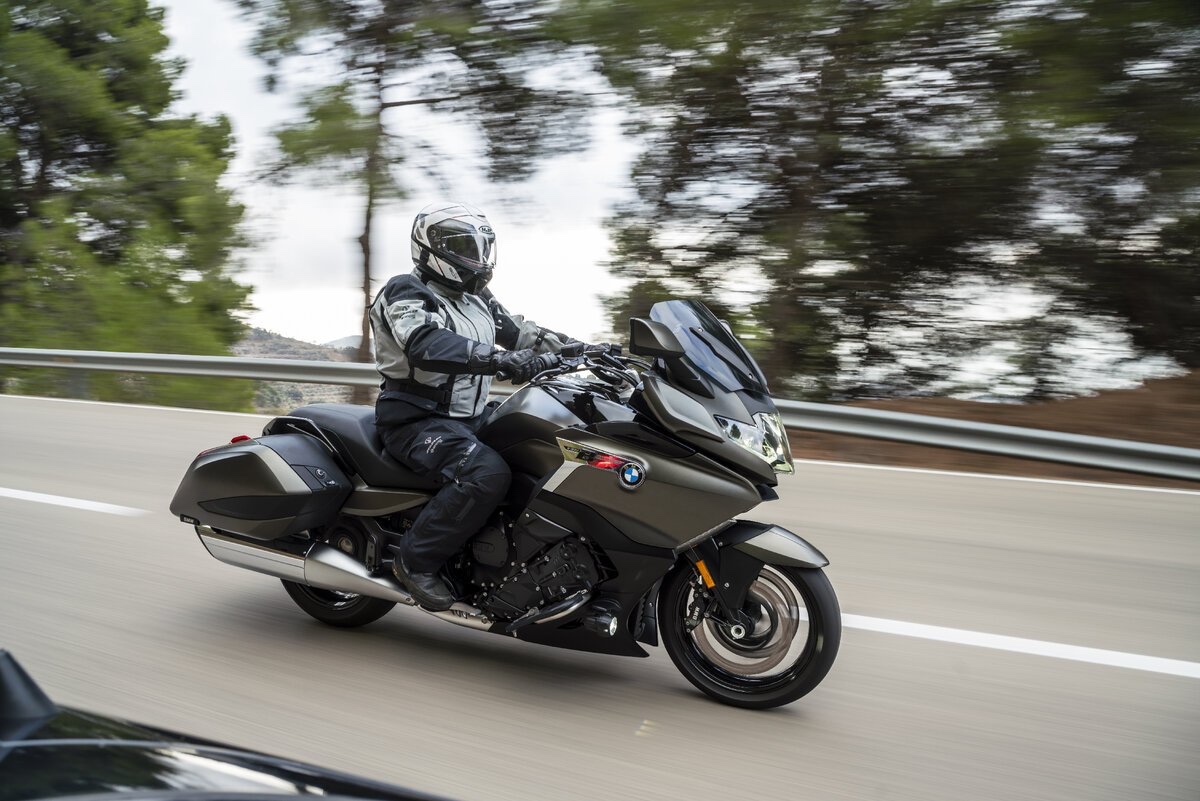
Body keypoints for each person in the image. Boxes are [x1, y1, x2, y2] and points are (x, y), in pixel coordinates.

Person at [369, 201, 584, 611]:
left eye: (480, 247)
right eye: (464, 247)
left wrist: (580, 349)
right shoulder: (406, 290)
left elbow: (521, 333)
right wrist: (498, 359)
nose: (476, 257)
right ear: (432, 247)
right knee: (486, 473)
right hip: (415, 420)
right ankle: (414, 562)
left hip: (469, 417)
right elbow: (425, 342)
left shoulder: (476, 297)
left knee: (545, 440)